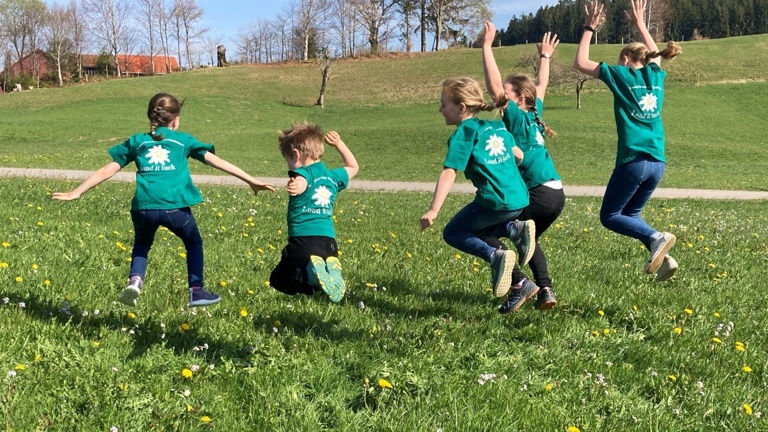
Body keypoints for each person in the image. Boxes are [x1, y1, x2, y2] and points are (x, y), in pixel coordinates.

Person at [52, 93, 275, 307]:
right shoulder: (183, 141)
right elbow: (217, 161)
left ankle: (135, 281)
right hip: (175, 209)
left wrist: (77, 192)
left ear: (151, 116)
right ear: (175, 120)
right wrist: (251, 180)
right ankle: (196, 291)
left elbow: (106, 170)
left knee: (142, 244)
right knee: (193, 243)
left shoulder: (137, 142)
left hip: (143, 210)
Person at [573, 0, 681, 281]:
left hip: (633, 161)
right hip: (658, 162)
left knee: (610, 216)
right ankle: (663, 256)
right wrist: (641, 24)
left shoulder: (621, 74)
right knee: (631, 215)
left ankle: (657, 237)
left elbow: (580, 63)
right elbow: (655, 56)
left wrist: (589, 28)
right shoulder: (655, 76)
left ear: (625, 59)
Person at [420, 77, 536, 309]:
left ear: (461, 108)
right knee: (477, 227)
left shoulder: (465, 132)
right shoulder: (496, 127)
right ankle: (514, 229)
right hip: (519, 199)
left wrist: (434, 210)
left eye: (444, 104)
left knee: (453, 231)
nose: (440, 109)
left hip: (495, 201)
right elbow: (519, 156)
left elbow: (449, 172)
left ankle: (495, 256)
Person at [481, 23, 566, 312]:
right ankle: (546, 291)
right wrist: (545, 58)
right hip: (556, 193)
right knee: (528, 241)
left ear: (518, 99)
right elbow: (541, 86)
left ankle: (520, 284)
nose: (500, 99)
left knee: (483, 231)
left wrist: (486, 47)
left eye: (507, 94)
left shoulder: (516, 117)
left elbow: (494, 88)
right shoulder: (534, 112)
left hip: (539, 194)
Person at [269, 123, 358, 303]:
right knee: (317, 285)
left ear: (296, 154)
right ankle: (330, 271)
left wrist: (296, 186)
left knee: (280, 280)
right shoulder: (332, 176)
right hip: (329, 243)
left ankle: (310, 275)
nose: (289, 165)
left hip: (303, 241)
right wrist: (339, 144)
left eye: (288, 160)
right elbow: (353, 167)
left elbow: (302, 181)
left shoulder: (302, 174)